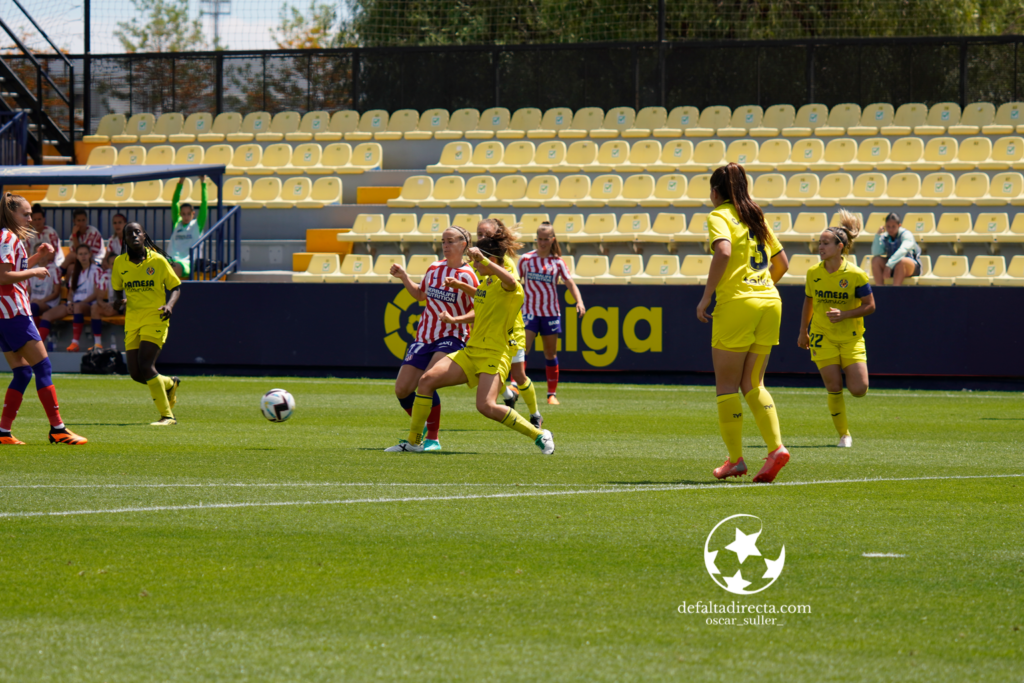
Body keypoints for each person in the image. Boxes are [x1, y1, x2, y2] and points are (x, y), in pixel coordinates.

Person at [385, 235, 554, 454]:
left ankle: (539, 434)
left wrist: (483, 261)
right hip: (472, 351)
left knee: (485, 406)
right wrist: (459, 296)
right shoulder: (488, 282)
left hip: (495, 354)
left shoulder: (509, 281)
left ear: (489, 259)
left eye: (476, 260)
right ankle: (414, 442)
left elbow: (512, 284)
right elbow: (483, 299)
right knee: (426, 381)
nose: (474, 264)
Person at [696, 163, 790, 483]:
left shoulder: (719, 215)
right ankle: (776, 449)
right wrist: (761, 287)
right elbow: (782, 262)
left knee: (726, 386)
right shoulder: (756, 216)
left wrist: (707, 296)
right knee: (753, 383)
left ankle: (736, 459)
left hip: (738, 304)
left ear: (716, 191)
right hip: (769, 301)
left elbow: (722, 252)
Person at [0, 192, 87, 445]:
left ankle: (3, 432)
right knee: (43, 367)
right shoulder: (7, 238)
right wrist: (35, 270)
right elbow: (4, 276)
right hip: (14, 313)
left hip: (6, 315)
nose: (30, 219)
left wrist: (38, 258)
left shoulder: (8, 238)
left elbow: (14, 267)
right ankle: (58, 429)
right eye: (25, 214)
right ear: (10, 214)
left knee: (23, 373)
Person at [389, 226, 478, 451]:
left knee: (427, 379)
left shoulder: (469, 275)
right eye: (443, 241)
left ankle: (432, 439)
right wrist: (404, 277)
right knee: (402, 389)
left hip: (452, 336)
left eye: (450, 241)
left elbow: (481, 309)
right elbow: (421, 294)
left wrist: (456, 320)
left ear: (463, 244)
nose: (445, 246)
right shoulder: (434, 268)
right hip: (424, 337)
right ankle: (424, 428)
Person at [799, 210, 876, 448]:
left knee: (859, 389)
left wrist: (845, 315)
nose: (820, 247)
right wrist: (804, 331)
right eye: (819, 243)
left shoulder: (855, 274)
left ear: (840, 246)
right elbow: (809, 301)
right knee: (833, 386)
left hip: (851, 337)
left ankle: (850, 375)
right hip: (823, 335)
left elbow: (870, 306)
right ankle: (844, 435)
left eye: (825, 243)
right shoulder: (814, 273)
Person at [111, 222, 182, 426]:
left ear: (144, 236)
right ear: (124, 239)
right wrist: (118, 301)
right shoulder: (120, 263)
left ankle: (167, 416)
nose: (133, 235)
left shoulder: (158, 261)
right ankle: (169, 383)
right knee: (135, 373)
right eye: (129, 233)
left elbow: (176, 286)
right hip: (133, 320)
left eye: (137, 232)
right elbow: (117, 288)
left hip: (155, 317)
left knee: (145, 364)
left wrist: (169, 305)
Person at [474, 218, 542, 425]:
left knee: (519, 375)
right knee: (479, 368)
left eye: (486, 235)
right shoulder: (475, 261)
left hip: (510, 328)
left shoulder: (505, 263)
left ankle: (535, 414)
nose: (481, 238)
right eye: (479, 234)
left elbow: (510, 286)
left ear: (496, 236)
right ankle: (508, 396)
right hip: (486, 326)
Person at [517, 222, 586, 409]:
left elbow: (570, 283)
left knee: (550, 353)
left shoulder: (557, 262)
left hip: (550, 313)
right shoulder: (526, 259)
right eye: (539, 239)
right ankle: (516, 385)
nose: (542, 242)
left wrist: (579, 302)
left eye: (546, 239)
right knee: (523, 349)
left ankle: (551, 394)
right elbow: (515, 282)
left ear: (552, 240)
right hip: (529, 312)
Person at [38, 244, 99, 352]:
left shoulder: (96, 270)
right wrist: (70, 302)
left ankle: (75, 343)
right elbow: (70, 292)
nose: (83, 256)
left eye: (85, 253)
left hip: (88, 305)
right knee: (47, 315)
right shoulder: (75, 271)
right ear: (77, 256)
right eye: (80, 254)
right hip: (74, 304)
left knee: (78, 307)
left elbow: (97, 293)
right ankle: (39, 346)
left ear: (90, 255)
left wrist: (77, 304)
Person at [168, 176, 208, 279]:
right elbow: (175, 202)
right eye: (183, 214)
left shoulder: (197, 225)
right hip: (171, 259)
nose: (186, 217)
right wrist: (181, 182)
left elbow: (204, 204)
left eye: (188, 214)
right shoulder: (177, 223)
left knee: (171, 268)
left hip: (187, 263)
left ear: (193, 214)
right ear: (180, 214)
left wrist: (203, 183)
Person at [871, 212, 921, 286]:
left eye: (893, 226)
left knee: (902, 262)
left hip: (910, 267)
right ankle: (880, 291)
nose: (890, 229)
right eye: (888, 226)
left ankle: (894, 293)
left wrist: (889, 265)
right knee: (875, 260)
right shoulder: (885, 237)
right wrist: (877, 236)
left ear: (899, 225)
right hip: (892, 267)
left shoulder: (907, 235)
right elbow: (876, 252)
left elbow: (902, 250)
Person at [90, 251, 118, 351]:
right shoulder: (106, 276)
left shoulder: (129, 274)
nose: (116, 265)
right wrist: (103, 304)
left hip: (128, 304)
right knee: (95, 308)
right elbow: (99, 297)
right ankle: (98, 343)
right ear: (109, 266)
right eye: (113, 263)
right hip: (114, 306)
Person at [29, 245, 62, 328]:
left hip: (48, 303)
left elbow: (56, 292)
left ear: (48, 254)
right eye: (39, 253)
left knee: (33, 307)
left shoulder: (54, 269)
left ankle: (34, 335)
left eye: (44, 253)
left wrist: (41, 301)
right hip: (33, 302)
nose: (42, 256)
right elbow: (28, 291)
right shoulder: (32, 269)